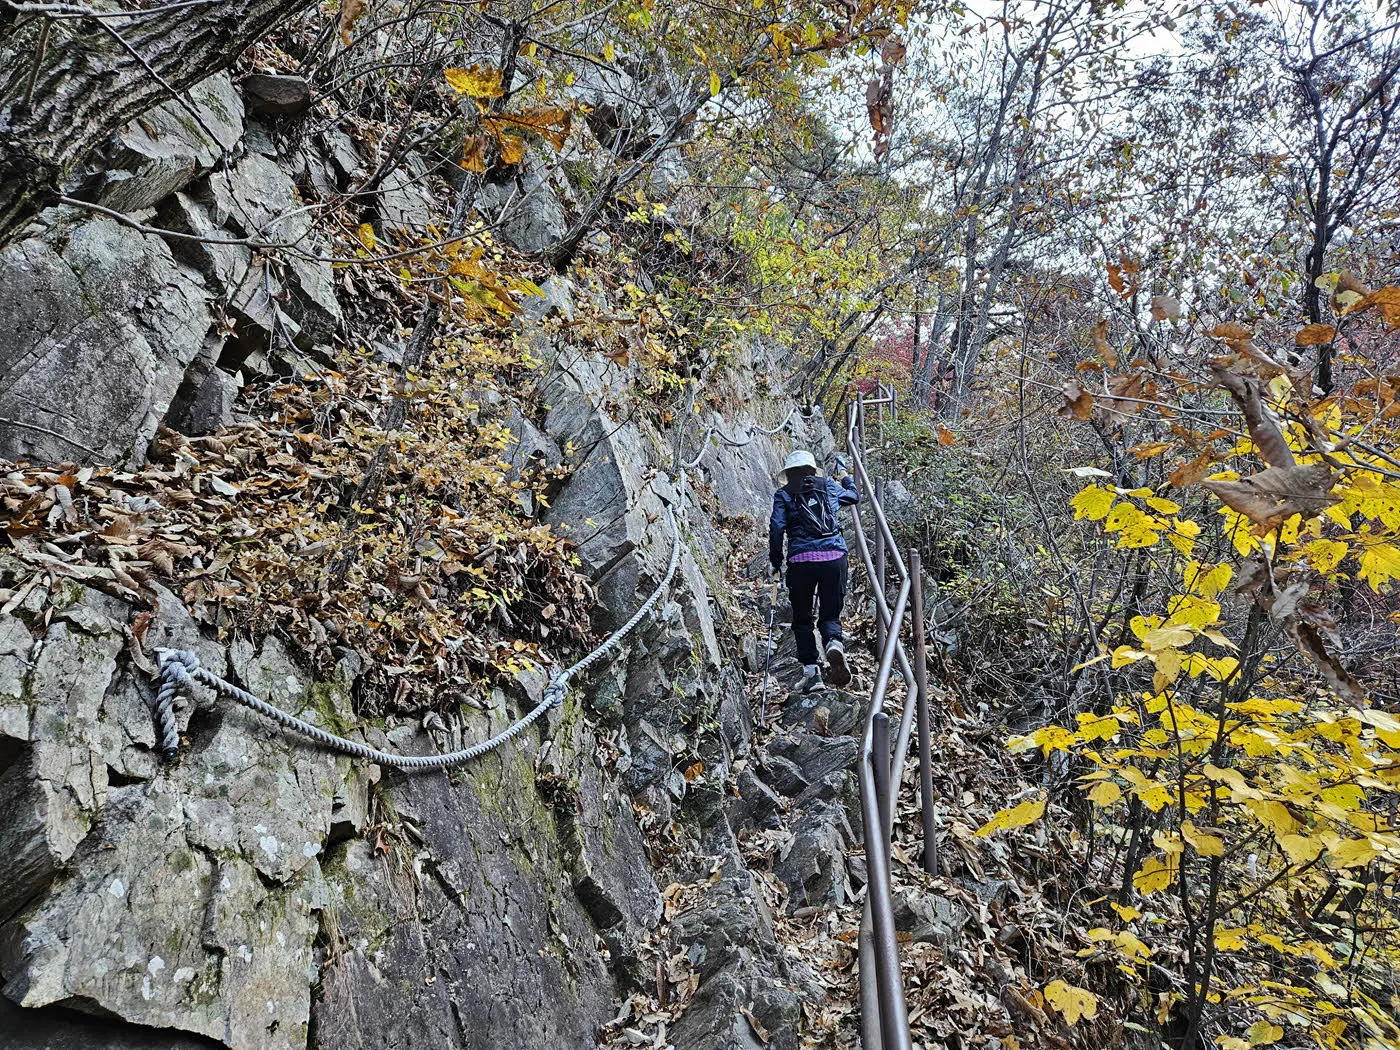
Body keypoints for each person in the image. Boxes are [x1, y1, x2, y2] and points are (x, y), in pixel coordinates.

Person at [769, 449, 860, 692]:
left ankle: (812, 675)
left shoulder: (784, 494)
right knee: (830, 615)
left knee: (802, 619)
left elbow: (777, 528)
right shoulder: (828, 486)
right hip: (834, 558)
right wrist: (844, 476)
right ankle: (833, 643)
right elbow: (853, 496)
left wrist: (775, 561)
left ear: (788, 474)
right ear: (812, 470)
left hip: (801, 561)